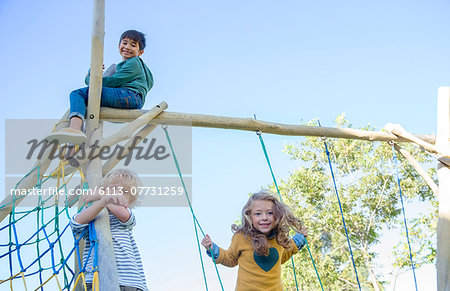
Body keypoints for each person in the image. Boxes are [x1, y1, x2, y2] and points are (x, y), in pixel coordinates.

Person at [47, 30, 154, 145]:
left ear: (140, 52)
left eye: (133, 45)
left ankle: (74, 128)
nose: (127, 47)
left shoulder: (134, 62)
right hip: (131, 98)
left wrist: (90, 75)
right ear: (119, 46)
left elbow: (110, 82)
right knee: (86, 102)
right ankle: (75, 143)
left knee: (77, 94)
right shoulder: (131, 65)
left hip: (129, 96)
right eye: (124, 43)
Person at [201, 189, 308, 291]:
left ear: (277, 215)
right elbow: (230, 258)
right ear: (250, 216)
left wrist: (299, 239)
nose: (264, 217)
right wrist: (212, 249)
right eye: (258, 213)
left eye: (270, 213)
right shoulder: (242, 238)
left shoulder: (278, 239)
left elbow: (281, 258)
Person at [70, 168, 148, 291]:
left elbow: (124, 215)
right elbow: (77, 222)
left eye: (124, 191)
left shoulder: (125, 216)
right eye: (112, 189)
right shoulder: (93, 212)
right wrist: (102, 202)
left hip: (128, 282)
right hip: (95, 279)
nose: (115, 193)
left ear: (130, 201)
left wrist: (103, 196)